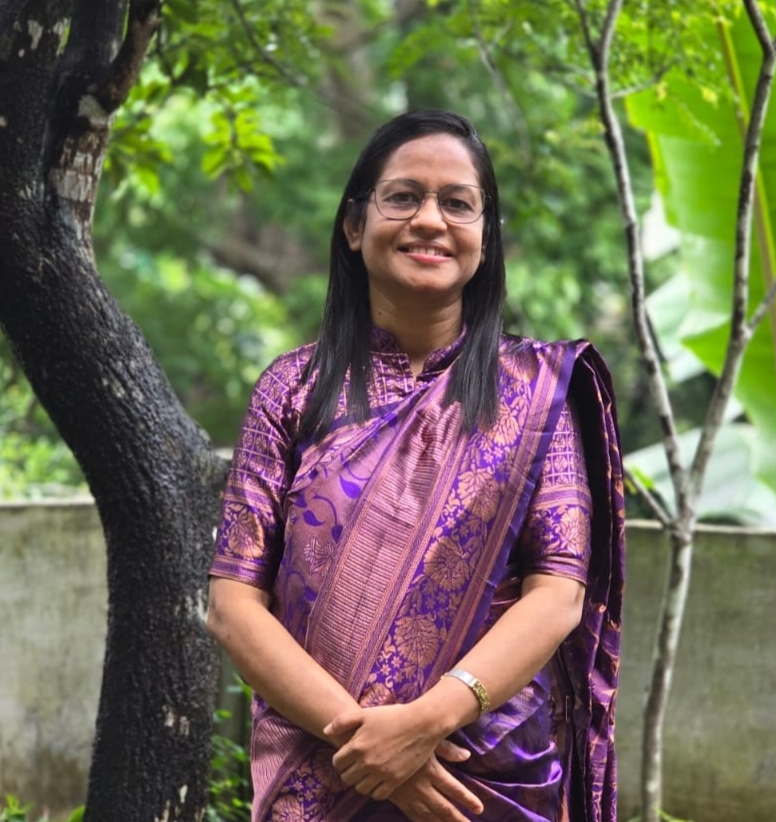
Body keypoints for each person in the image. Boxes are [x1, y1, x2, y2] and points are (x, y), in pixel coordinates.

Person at [207, 109, 625, 822]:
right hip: (321, 770)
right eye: (402, 197)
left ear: (486, 238)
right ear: (354, 225)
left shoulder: (534, 394)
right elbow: (233, 606)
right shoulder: (293, 390)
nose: (429, 220)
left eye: (457, 203)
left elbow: (557, 594)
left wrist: (425, 724)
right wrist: (369, 748)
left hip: (484, 777)